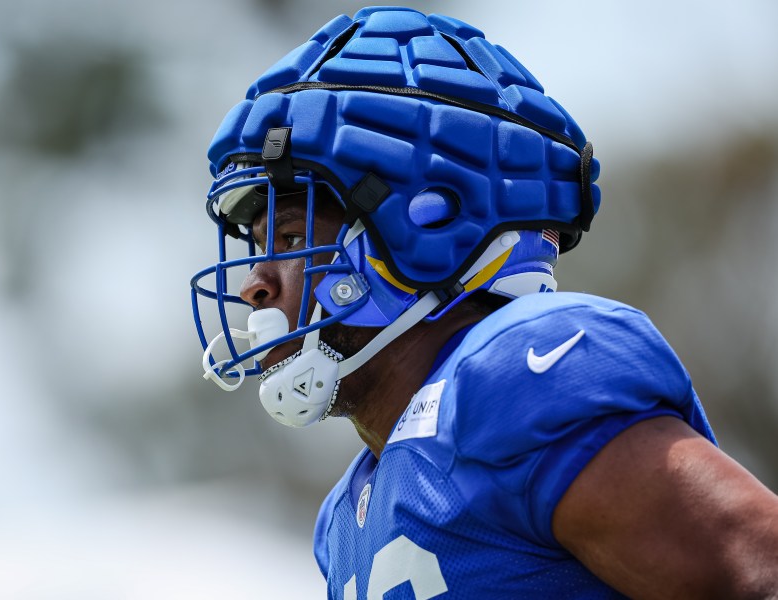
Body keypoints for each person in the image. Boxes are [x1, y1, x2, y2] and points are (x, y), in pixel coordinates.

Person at [190, 7, 778, 598]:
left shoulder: (521, 376)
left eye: (291, 238)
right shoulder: (346, 514)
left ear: (427, 223)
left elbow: (757, 571)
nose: (254, 284)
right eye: (261, 244)